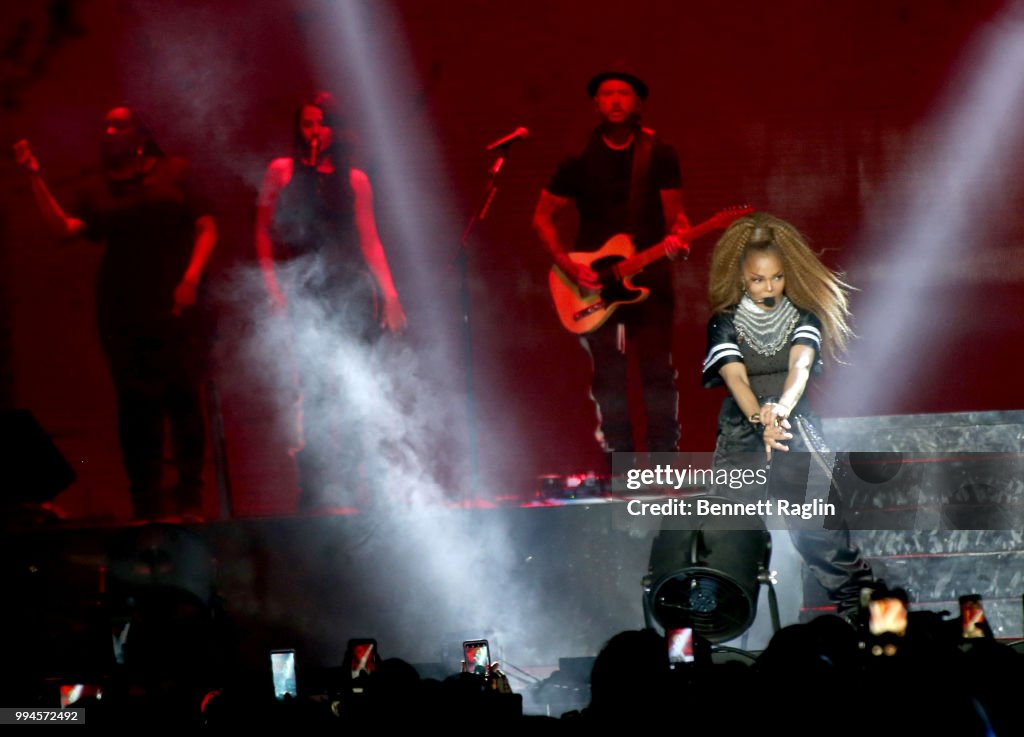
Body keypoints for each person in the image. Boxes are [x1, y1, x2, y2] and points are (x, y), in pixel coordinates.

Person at [13, 106, 217, 521]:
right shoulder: (100, 189)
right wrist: (33, 176)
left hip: (177, 302)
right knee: (135, 406)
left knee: (182, 398)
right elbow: (63, 231)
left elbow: (207, 228)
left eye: (117, 125)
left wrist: (192, 279)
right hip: (123, 308)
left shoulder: (175, 172)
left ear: (140, 134)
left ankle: (190, 498)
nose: (108, 132)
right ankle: (145, 501)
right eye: (104, 126)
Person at [701, 211, 874, 620]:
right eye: (758, 279)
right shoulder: (724, 323)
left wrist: (780, 409)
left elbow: (799, 369)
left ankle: (868, 629)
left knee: (823, 537)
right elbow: (735, 378)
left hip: (795, 429)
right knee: (729, 537)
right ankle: (712, 633)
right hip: (743, 434)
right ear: (742, 278)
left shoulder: (803, 317)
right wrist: (761, 418)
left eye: (776, 277)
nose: (769, 287)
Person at [255, 91, 406, 510]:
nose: (314, 131)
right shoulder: (281, 172)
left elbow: (370, 239)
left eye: (321, 123)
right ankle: (317, 487)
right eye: (307, 124)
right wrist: (272, 287)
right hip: (306, 289)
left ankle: (370, 484)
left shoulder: (354, 179)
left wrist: (390, 294)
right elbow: (262, 231)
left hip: (351, 288)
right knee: (315, 387)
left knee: (360, 382)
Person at [533, 70, 690, 465]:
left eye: (624, 93)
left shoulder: (659, 153)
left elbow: (677, 220)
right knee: (609, 378)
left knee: (657, 373)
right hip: (596, 284)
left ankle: (663, 467)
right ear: (596, 104)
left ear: (637, 103)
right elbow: (542, 217)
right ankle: (620, 467)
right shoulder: (578, 158)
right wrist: (566, 264)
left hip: (649, 280)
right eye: (607, 94)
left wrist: (679, 240)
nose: (616, 100)